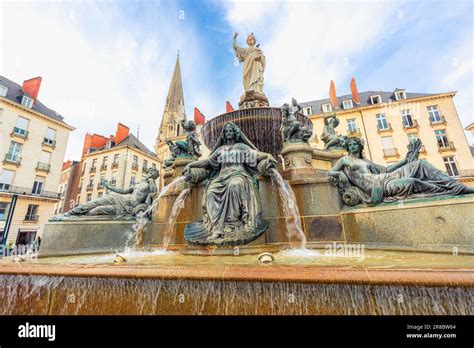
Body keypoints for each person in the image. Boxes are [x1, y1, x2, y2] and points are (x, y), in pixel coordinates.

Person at [183, 122, 276, 245]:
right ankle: (216, 229)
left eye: (230, 131)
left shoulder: (241, 147)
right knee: (210, 192)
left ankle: (231, 224)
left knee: (234, 186)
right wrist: (191, 164)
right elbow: (206, 162)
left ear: (235, 133)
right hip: (221, 179)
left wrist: (268, 155)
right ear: (224, 134)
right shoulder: (220, 150)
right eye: (226, 131)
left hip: (239, 175)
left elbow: (256, 155)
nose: (228, 133)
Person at [328, 137, 474, 206]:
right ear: (347, 147)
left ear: (360, 147)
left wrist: (405, 160)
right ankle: (455, 190)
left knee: (420, 163)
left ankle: (458, 187)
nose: (353, 146)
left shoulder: (366, 161)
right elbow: (330, 172)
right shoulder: (344, 160)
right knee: (411, 182)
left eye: (355, 144)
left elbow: (385, 169)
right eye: (350, 145)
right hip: (377, 187)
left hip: (384, 177)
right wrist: (339, 173)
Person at [58, 167, 160, 219]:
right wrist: (110, 187)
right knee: (95, 202)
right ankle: (68, 214)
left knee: (98, 210)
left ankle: (79, 216)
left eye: (153, 175)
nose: (150, 175)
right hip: (121, 199)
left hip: (128, 208)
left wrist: (151, 181)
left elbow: (155, 193)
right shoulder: (138, 183)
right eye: (150, 173)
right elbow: (124, 191)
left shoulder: (151, 184)